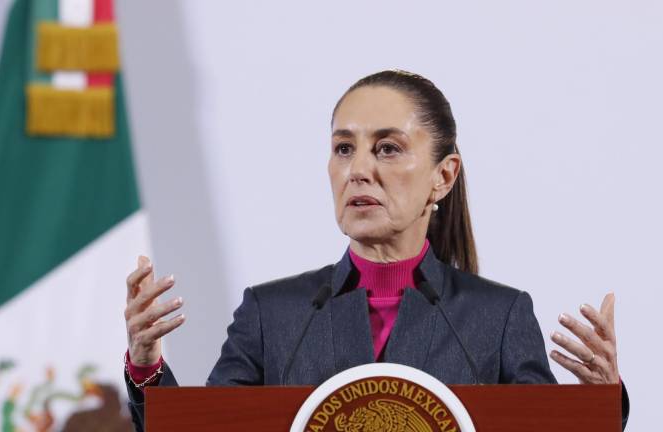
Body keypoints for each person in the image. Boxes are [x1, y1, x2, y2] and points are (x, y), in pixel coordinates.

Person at [122, 70, 629, 431]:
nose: (358, 170)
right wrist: (146, 368)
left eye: (387, 148)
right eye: (345, 148)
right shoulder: (270, 314)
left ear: (443, 176)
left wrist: (601, 403)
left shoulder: (497, 317)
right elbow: (206, 430)